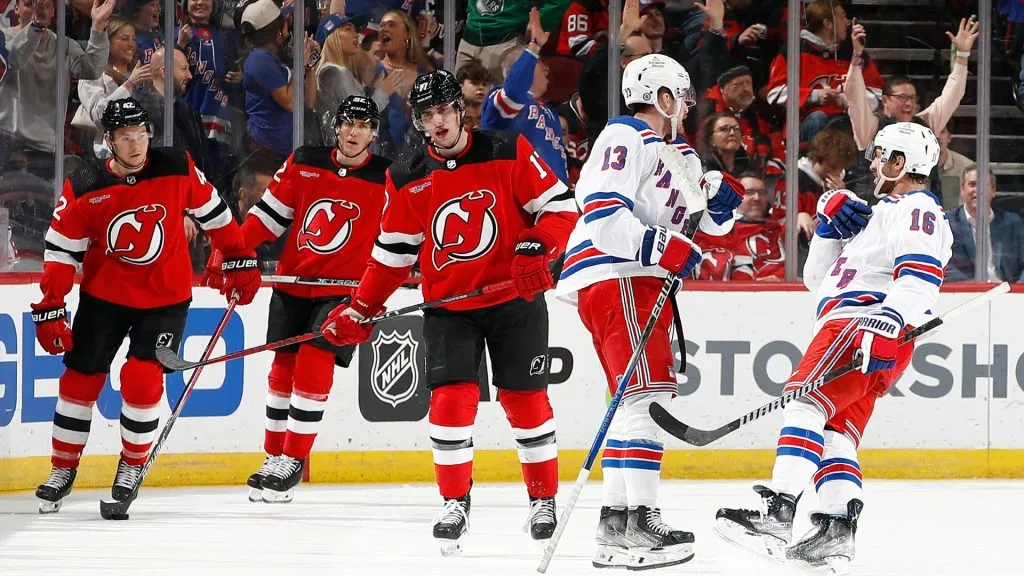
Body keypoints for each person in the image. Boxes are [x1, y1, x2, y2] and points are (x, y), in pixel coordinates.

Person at [317, 70, 577, 554]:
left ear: (462, 110)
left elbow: (562, 209)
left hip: (513, 301)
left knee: (525, 403)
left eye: (443, 111)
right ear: (418, 121)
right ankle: (454, 501)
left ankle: (543, 500)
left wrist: (538, 246)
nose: (437, 122)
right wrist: (360, 307)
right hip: (450, 308)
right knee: (450, 403)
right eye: (426, 115)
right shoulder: (407, 174)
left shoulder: (507, 150)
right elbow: (392, 256)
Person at [714, 122, 952, 571]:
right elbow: (817, 281)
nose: (873, 164)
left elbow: (920, 276)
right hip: (864, 327)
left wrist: (885, 322)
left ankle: (777, 513)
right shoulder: (880, 212)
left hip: (861, 324)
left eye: (881, 156)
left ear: (900, 163)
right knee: (834, 433)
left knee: (803, 405)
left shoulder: (917, 208)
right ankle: (835, 530)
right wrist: (827, 226)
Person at [553, 54, 743, 570]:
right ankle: (639, 521)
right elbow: (601, 213)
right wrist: (663, 247)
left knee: (633, 402)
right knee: (644, 400)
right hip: (619, 277)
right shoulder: (626, 136)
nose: (686, 105)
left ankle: (617, 526)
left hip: (635, 279)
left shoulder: (676, 153)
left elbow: (703, 227)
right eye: (679, 95)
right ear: (661, 97)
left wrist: (721, 208)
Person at [31, 97, 261, 513]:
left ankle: (131, 466)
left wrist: (238, 256)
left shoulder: (175, 166)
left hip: (165, 300)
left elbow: (215, 214)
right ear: (108, 141)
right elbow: (61, 251)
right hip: (104, 299)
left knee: (140, 380)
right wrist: (51, 303)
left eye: (141, 135)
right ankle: (62, 469)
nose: (136, 145)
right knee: (79, 381)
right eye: (125, 137)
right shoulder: (85, 185)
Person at [229, 96, 391, 503]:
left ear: (374, 133)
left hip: (342, 290)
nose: (355, 133)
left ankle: (294, 460)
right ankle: (273, 456)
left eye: (364, 126)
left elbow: (400, 240)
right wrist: (234, 252)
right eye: (348, 124)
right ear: (336, 126)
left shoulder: (388, 176)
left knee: (315, 363)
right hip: (293, 282)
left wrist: (378, 293)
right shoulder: (305, 160)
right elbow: (269, 216)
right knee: (283, 368)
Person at [482, 9, 568, 185]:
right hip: (516, 199)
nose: (547, 69)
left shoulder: (550, 111)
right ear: (518, 67)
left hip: (553, 202)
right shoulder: (498, 100)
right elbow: (514, 92)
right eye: (540, 62)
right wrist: (533, 48)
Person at [695, 171, 784, 281]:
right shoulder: (718, 230)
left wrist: (801, 215)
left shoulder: (776, 229)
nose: (757, 198)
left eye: (762, 192)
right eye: (749, 192)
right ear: (736, 196)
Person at [945, 164, 1024, 283]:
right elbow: (946, 270)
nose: (977, 190)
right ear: (962, 190)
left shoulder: (1011, 223)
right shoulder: (948, 223)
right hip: (967, 295)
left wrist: (1016, 294)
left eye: (983, 185)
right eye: (972, 184)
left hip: (1007, 294)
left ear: (993, 190)